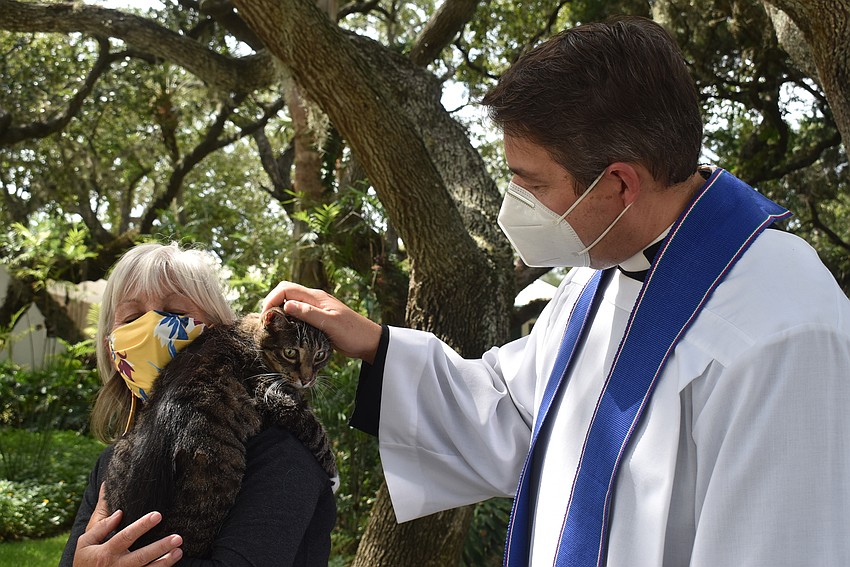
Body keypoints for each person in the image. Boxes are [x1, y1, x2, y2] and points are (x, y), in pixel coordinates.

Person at [262, 16, 850, 566]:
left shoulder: (782, 330)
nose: (512, 208)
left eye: (532, 184)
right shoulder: (596, 278)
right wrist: (375, 345)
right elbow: (516, 417)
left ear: (619, 183)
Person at [61, 242, 335, 567]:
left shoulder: (281, 455)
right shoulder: (110, 463)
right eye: (132, 318)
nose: (152, 328)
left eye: (176, 313)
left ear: (219, 328)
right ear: (110, 347)